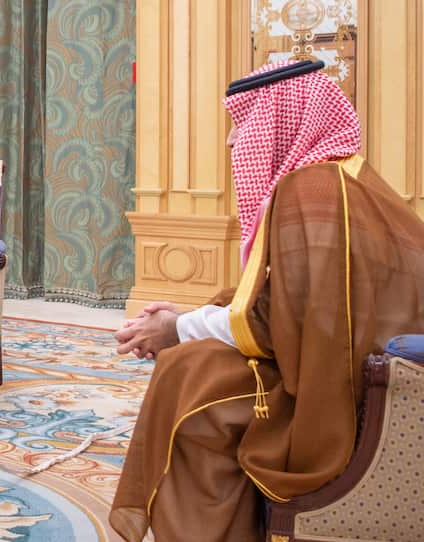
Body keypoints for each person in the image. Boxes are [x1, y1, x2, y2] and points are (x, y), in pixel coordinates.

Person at [110, 60, 424, 541]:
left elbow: (279, 322)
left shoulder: (312, 191)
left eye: (243, 123)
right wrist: (184, 319)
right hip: (349, 367)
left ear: (282, 120)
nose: (234, 141)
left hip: (342, 396)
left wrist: (175, 330)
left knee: (190, 386)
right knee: (195, 364)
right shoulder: (341, 178)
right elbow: (280, 300)